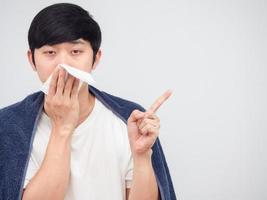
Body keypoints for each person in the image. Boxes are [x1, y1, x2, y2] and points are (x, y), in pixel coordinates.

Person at [0, 3, 176, 200]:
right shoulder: (8, 125)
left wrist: (142, 157)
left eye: (76, 51)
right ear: (32, 59)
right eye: (50, 52)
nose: (63, 65)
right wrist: (62, 127)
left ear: (96, 58)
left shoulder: (129, 119)